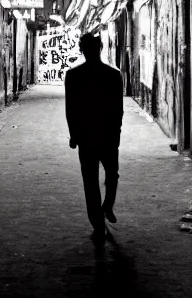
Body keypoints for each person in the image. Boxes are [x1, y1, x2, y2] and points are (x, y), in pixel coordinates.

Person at [64, 33, 123, 246]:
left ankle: (98, 223)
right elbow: (118, 109)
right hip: (107, 134)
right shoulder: (113, 75)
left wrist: (74, 134)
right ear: (100, 47)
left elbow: (71, 108)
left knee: (90, 181)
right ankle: (107, 206)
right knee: (112, 175)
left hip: (87, 136)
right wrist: (116, 133)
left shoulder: (73, 75)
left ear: (82, 49)